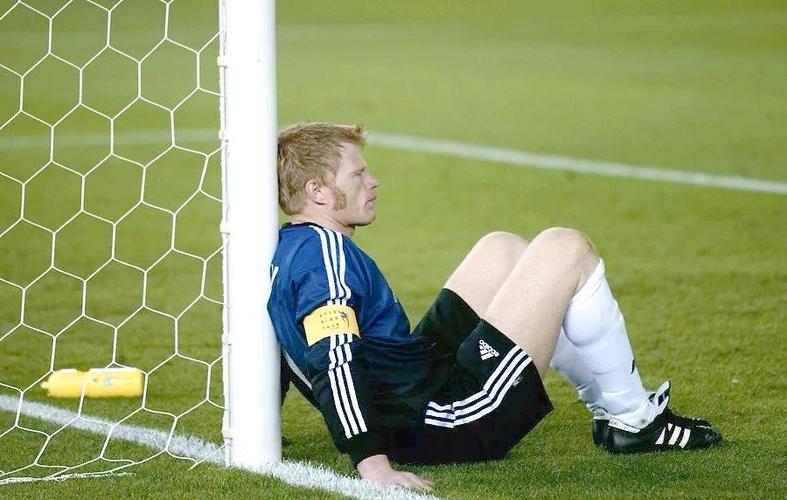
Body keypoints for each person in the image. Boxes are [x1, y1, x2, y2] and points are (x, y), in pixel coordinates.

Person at [267, 122, 721, 491]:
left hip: (411, 383)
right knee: (567, 248)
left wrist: (262, 421)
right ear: (318, 191)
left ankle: (611, 407)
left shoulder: (292, 246)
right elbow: (334, 357)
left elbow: (279, 341)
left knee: (501, 249)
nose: (373, 181)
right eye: (357, 175)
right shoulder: (326, 259)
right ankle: (635, 420)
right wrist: (373, 463)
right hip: (443, 421)